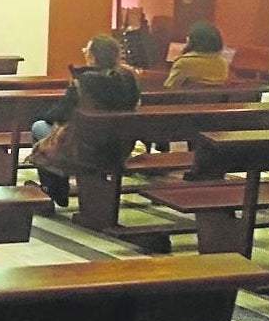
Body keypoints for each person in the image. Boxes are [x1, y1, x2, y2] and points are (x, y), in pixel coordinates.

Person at [25, 34, 141, 207]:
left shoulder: (84, 81)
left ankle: (54, 190)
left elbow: (60, 113)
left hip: (82, 147)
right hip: (119, 146)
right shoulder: (129, 79)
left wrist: (44, 115)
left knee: (39, 127)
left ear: (93, 56)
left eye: (87, 50)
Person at [165, 21, 229, 87]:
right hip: (213, 97)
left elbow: (170, 87)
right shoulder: (223, 63)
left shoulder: (183, 62)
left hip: (187, 97)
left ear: (193, 40)